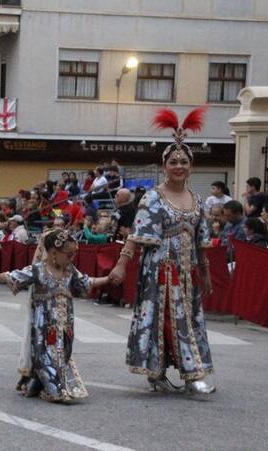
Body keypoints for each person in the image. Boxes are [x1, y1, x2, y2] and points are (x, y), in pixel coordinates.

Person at [109, 107, 215, 396]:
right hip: (160, 270)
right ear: (164, 165)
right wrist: (121, 264)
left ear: (191, 166)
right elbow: (136, 236)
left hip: (188, 272)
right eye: (173, 162)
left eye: (184, 162)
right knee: (164, 318)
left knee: (188, 319)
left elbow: (200, 242)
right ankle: (167, 374)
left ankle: (191, 371)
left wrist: (205, 273)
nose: (179, 166)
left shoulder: (197, 199)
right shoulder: (153, 197)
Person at [0, 230, 110, 403]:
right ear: (54, 253)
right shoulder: (38, 270)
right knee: (45, 356)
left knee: (63, 355)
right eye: (68, 254)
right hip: (44, 328)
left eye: (74, 254)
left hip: (65, 326)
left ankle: (41, 384)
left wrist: (107, 279)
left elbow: (86, 282)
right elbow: (12, 276)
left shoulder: (70, 271)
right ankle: (56, 390)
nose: (72, 258)